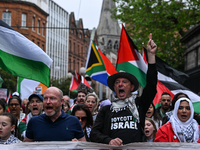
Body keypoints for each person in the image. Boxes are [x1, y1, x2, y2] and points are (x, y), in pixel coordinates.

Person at [90, 33, 157, 146]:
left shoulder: (139, 104)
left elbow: (151, 86)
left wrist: (151, 56)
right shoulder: (106, 110)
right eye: (117, 82)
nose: (120, 84)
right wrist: (109, 141)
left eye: (124, 82)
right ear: (114, 88)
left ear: (131, 87)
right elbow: (94, 133)